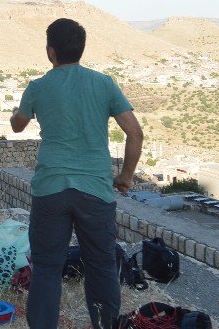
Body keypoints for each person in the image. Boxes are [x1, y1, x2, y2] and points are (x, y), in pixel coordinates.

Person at [10, 18, 144, 329]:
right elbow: (135, 134)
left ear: (50, 51)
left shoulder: (38, 87)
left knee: (45, 268)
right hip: (95, 191)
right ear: (81, 49)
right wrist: (125, 176)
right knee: (101, 267)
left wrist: (16, 114)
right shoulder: (104, 83)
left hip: (50, 190)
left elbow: (19, 124)